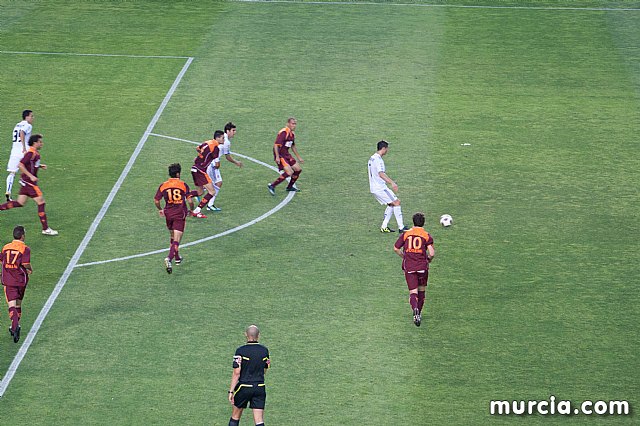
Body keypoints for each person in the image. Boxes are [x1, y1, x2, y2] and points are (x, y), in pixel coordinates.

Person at [0, 134, 58, 236]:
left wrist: (39, 166)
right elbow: (21, 165)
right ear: (35, 143)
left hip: (25, 181)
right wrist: (31, 176)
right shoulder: (30, 153)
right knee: (41, 202)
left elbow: (30, 164)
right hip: (29, 183)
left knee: (20, 202)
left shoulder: (34, 153)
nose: (42, 144)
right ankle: (45, 229)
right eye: (40, 142)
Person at [393, 212, 435, 327]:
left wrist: (404, 256)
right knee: (421, 291)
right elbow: (431, 253)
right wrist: (429, 259)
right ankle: (419, 313)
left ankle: (415, 309)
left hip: (410, 267)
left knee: (413, 292)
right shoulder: (426, 235)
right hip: (422, 267)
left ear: (413, 222)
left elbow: (396, 248)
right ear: (423, 223)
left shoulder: (407, 234)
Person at [228, 325, 270, 426]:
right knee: (259, 420)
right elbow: (265, 368)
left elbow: (236, 373)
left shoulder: (240, 351)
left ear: (246, 335)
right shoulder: (264, 351)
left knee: (235, 416)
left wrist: (231, 391)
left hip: (244, 387)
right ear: (258, 335)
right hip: (260, 387)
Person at [154, 163, 192, 274]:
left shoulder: (163, 185)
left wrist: (160, 209)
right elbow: (190, 201)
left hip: (168, 214)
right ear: (178, 173)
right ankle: (169, 258)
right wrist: (191, 210)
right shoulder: (183, 185)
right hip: (179, 215)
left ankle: (177, 258)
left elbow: (156, 200)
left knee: (172, 236)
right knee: (177, 240)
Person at [368, 140, 408, 233]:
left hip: (374, 188)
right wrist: (392, 183)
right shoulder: (378, 160)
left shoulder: (372, 158)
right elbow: (381, 174)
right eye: (387, 148)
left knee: (391, 204)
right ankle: (401, 227)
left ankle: (384, 227)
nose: (387, 150)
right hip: (380, 188)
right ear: (383, 148)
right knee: (397, 202)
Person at [1, 226, 32, 343]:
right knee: (18, 304)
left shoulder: (6, 247)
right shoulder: (25, 248)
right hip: (21, 280)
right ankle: (14, 325)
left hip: (8, 280)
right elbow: (26, 263)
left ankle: (14, 326)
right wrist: (30, 269)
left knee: (11, 305)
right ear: (23, 235)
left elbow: (2, 260)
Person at [205, 122, 244, 211]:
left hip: (209, 163)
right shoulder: (226, 142)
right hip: (213, 164)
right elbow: (227, 157)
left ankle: (197, 194)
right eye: (233, 130)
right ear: (228, 131)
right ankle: (209, 204)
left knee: (209, 183)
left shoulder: (222, 139)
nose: (235, 132)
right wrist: (236, 162)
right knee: (218, 182)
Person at [189, 130, 224, 218]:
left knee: (200, 192)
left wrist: (202, 157)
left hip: (194, 168)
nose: (224, 139)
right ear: (218, 138)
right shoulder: (216, 148)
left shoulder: (207, 142)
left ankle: (185, 195)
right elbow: (217, 164)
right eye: (223, 138)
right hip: (201, 170)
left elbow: (198, 148)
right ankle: (197, 210)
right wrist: (215, 166)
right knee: (212, 191)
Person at [267, 117, 303, 195]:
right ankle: (272, 185)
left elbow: (293, 146)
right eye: (293, 124)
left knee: (298, 169)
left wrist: (298, 157)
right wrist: (277, 157)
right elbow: (276, 145)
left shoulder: (292, 134)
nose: (294, 125)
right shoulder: (283, 132)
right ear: (288, 124)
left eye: (295, 124)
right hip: (280, 154)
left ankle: (289, 187)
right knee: (289, 172)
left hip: (286, 154)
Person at [6, 110, 34, 202]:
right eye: (31, 116)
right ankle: (24, 182)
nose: (33, 118)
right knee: (30, 165)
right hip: (23, 150)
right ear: (27, 117)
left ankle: (8, 191)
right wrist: (24, 147)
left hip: (14, 151)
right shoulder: (28, 125)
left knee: (12, 173)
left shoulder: (16, 125)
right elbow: (22, 133)